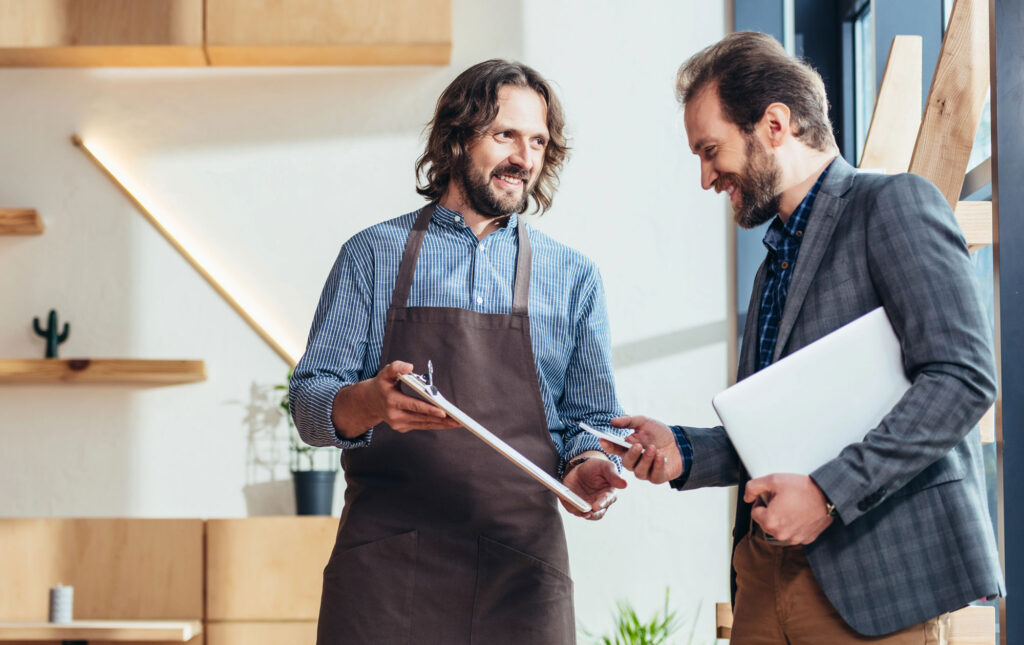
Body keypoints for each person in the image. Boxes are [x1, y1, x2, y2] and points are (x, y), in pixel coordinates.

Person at [602, 32, 1002, 643]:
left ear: (775, 124)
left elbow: (962, 377)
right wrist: (682, 449)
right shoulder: (775, 261)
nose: (706, 177)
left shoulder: (892, 205)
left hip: (875, 580)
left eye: (711, 150)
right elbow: (780, 435)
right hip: (766, 575)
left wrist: (828, 494)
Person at [289, 59, 627, 644]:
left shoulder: (573, 276)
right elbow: (308, 406)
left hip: (521, 571)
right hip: (386, 570)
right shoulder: (372, 256)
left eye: (538, 141)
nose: (524, 157)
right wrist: (369, 402)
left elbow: (589, 422)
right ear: (456, 138)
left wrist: (591, 466)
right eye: (505, 135)